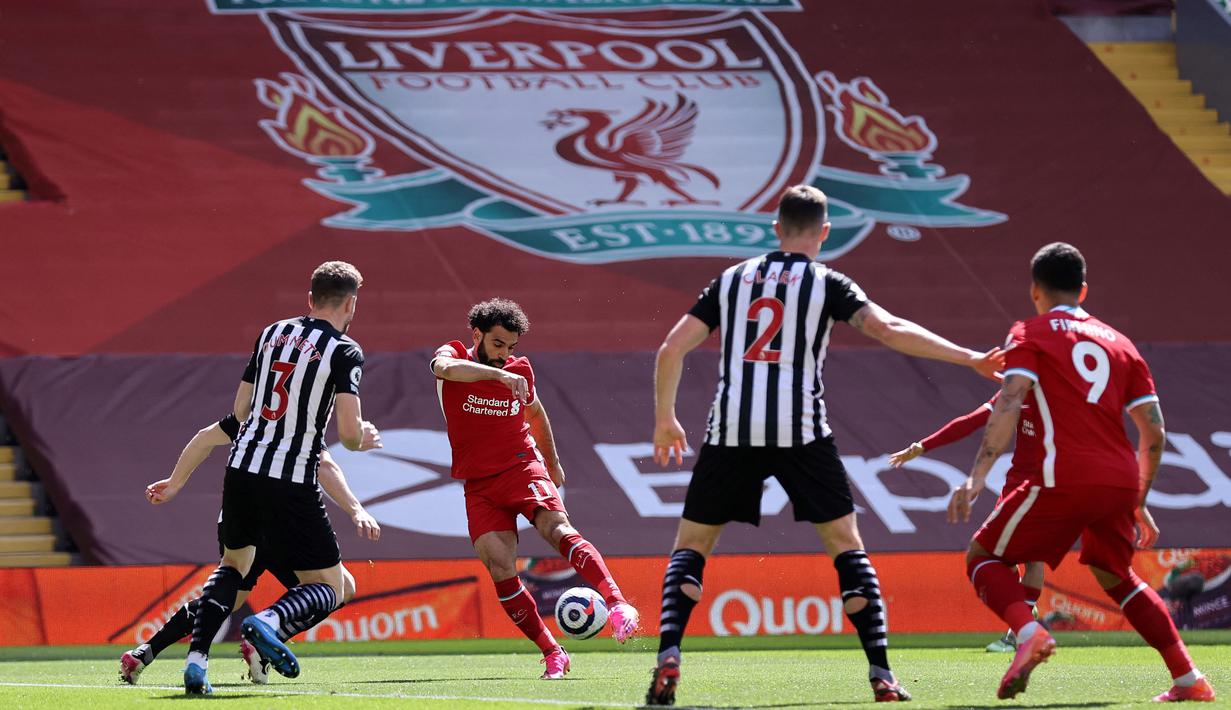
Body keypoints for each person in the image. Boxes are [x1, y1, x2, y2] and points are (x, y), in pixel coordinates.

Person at [648, 185, 1003, 706]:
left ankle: (669, 655)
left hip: (732, 430)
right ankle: (881, 674)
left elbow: (671, 348)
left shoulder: (731, 280)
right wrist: (970, 357)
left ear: (776, 228)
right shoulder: (827, 282)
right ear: (825, 232)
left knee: (693, 545)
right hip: (802, 430)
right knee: (845, 544)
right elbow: (888, 329)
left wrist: (665, 419)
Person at [947, 242, 1215, 702]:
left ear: (1035, 290)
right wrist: (1138, 498)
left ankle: (1029, 633)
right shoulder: (1121, 344)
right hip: (1118, 480)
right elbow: (1153, 429)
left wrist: (977, 476)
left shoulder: (1028, 333)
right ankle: (1189, 679)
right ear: (1084, 290)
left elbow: (1010, 400)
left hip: (1062, 476)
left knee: (984, 557)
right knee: (1119, 576)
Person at [181, 261, 382, 694]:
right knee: (332, 587)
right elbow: (348, 434)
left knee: (232, 567)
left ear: (310, 299)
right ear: (351, 305)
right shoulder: (345, 350)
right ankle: (268, 622)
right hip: (290, 479)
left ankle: (196, 660)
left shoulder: (271, 333)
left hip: (240, 469)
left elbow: (240, 410)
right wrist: (362, 439)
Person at [430, 298, 639, 680]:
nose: (504, 354)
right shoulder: (454, 354)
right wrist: (498, 377)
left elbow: (536, 413)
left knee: (555, 529)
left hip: (521, 466)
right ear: (476, 334)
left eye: (510, 347)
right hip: (479, 484)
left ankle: (617, 604)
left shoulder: (519, 371)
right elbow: (443, 369)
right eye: (497, 344)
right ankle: (553, 653)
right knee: (499, 566)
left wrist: (553, 463)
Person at [119, 413, 379, 685]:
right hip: (283, 517)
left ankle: (146, 652)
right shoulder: (298, 419)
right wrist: (356, 507)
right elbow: (324, 464)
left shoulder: (251, 415)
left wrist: (175, 483)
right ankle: (265, 639)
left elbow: (204, 438)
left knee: (229, 599)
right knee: (338, 588)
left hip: (239, 515)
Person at [887, 394, 1046, 653]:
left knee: (1032, 558)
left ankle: (1019, 632)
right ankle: (1026, 609)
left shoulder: (1059, 391)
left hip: (1046, 485)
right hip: (1016, 484)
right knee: (992, 553)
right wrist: (923, 445)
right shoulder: (1017, 387)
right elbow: (971, 421)